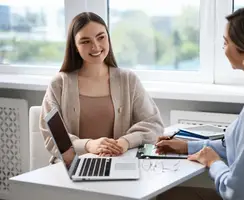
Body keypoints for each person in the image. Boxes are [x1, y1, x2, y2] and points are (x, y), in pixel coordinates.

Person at [156, 6, 244, 200]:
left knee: (169, 195)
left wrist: (213, 163)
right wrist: (188, 146)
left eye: (225, 43)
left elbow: (239, 195)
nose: (222, 48)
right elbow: (243, 147)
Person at [39, 12, 164, 163]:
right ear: (75, 47)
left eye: (101, 37)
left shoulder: (128, 80)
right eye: (85, 41)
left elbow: (154, 124)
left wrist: (125, 142)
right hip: (75, 166)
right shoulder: (59, 84)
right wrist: (88, 145)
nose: (95, 46)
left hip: (118, 162)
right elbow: (52, 136)